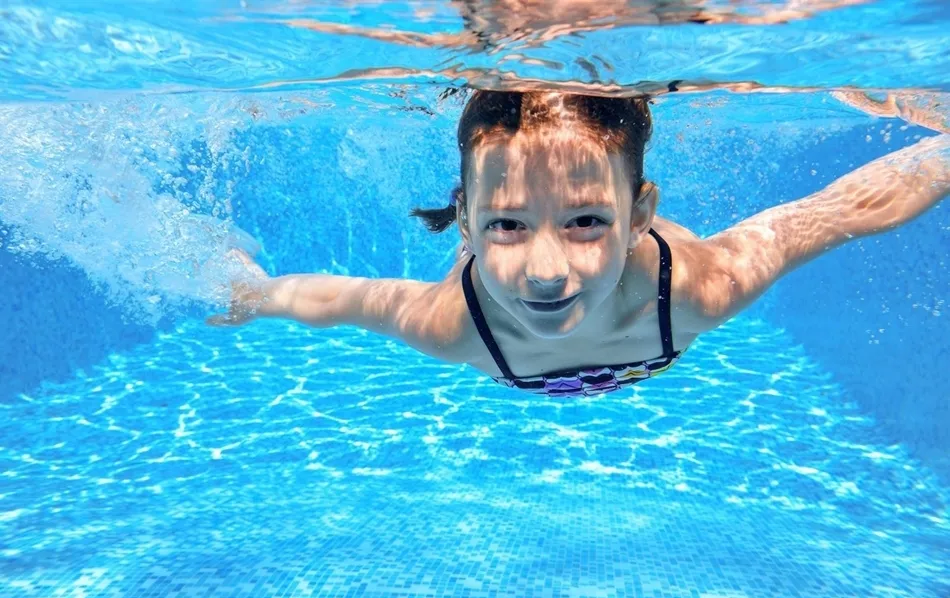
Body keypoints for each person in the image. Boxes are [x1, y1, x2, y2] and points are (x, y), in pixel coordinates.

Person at [208, 90, 949, 397]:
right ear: (464, 224)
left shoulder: (701, 287)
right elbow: (339, 300)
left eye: (586, 220)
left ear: (638, 215)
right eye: (506, 224)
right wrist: (255, 294)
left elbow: (845, 209)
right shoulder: (455, 322)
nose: (545, 269)